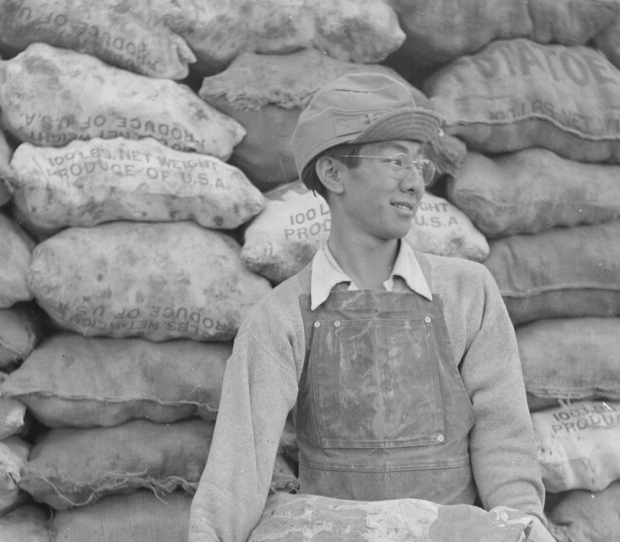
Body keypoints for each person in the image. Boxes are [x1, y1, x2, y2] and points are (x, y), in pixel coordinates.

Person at [189, 72, 552, 542]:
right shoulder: (280, 319)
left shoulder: (468, 292)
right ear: (333, 174)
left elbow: (505, 442)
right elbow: (238, 470)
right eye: (394, 161)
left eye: (419, 166)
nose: (415, 184)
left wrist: (523, 524)